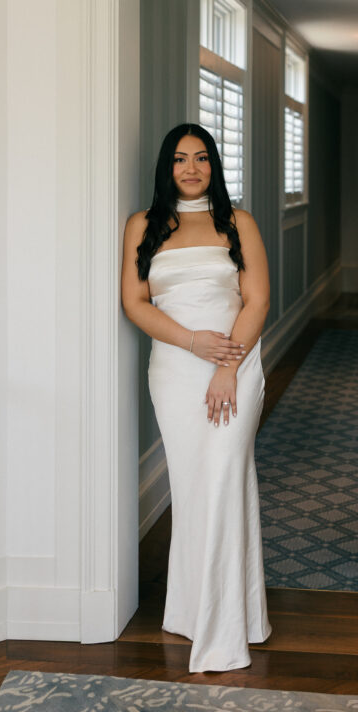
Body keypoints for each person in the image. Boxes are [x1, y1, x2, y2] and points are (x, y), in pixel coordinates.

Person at [122, 123, 271, 672]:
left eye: (202, 158)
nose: (191, 168)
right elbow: (135, 302)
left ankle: (223, 630)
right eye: (181, 159)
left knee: (223, 480)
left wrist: (227, 364)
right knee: (193, 488)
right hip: (174, 369)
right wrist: (191, 342)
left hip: (235, 365)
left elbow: (256, 300)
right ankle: (195, 611)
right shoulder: (142, 224)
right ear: (167, 166)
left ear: (214, 165)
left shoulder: (239, 222)